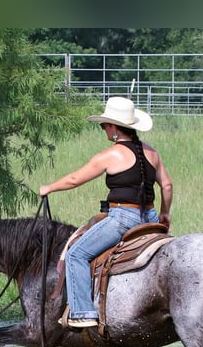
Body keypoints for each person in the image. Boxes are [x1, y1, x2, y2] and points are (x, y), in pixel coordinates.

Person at [39, 96, 173, 328]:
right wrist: (165, 214)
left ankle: (83, 312)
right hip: (150, 218)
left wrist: (49, 188)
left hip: (123, 218)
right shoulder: (152, 152)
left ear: (113, 128)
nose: (103, 130)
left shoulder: (111, 154)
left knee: (76, 255)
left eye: (104, 125)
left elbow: (74, 180)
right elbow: (167, 186)